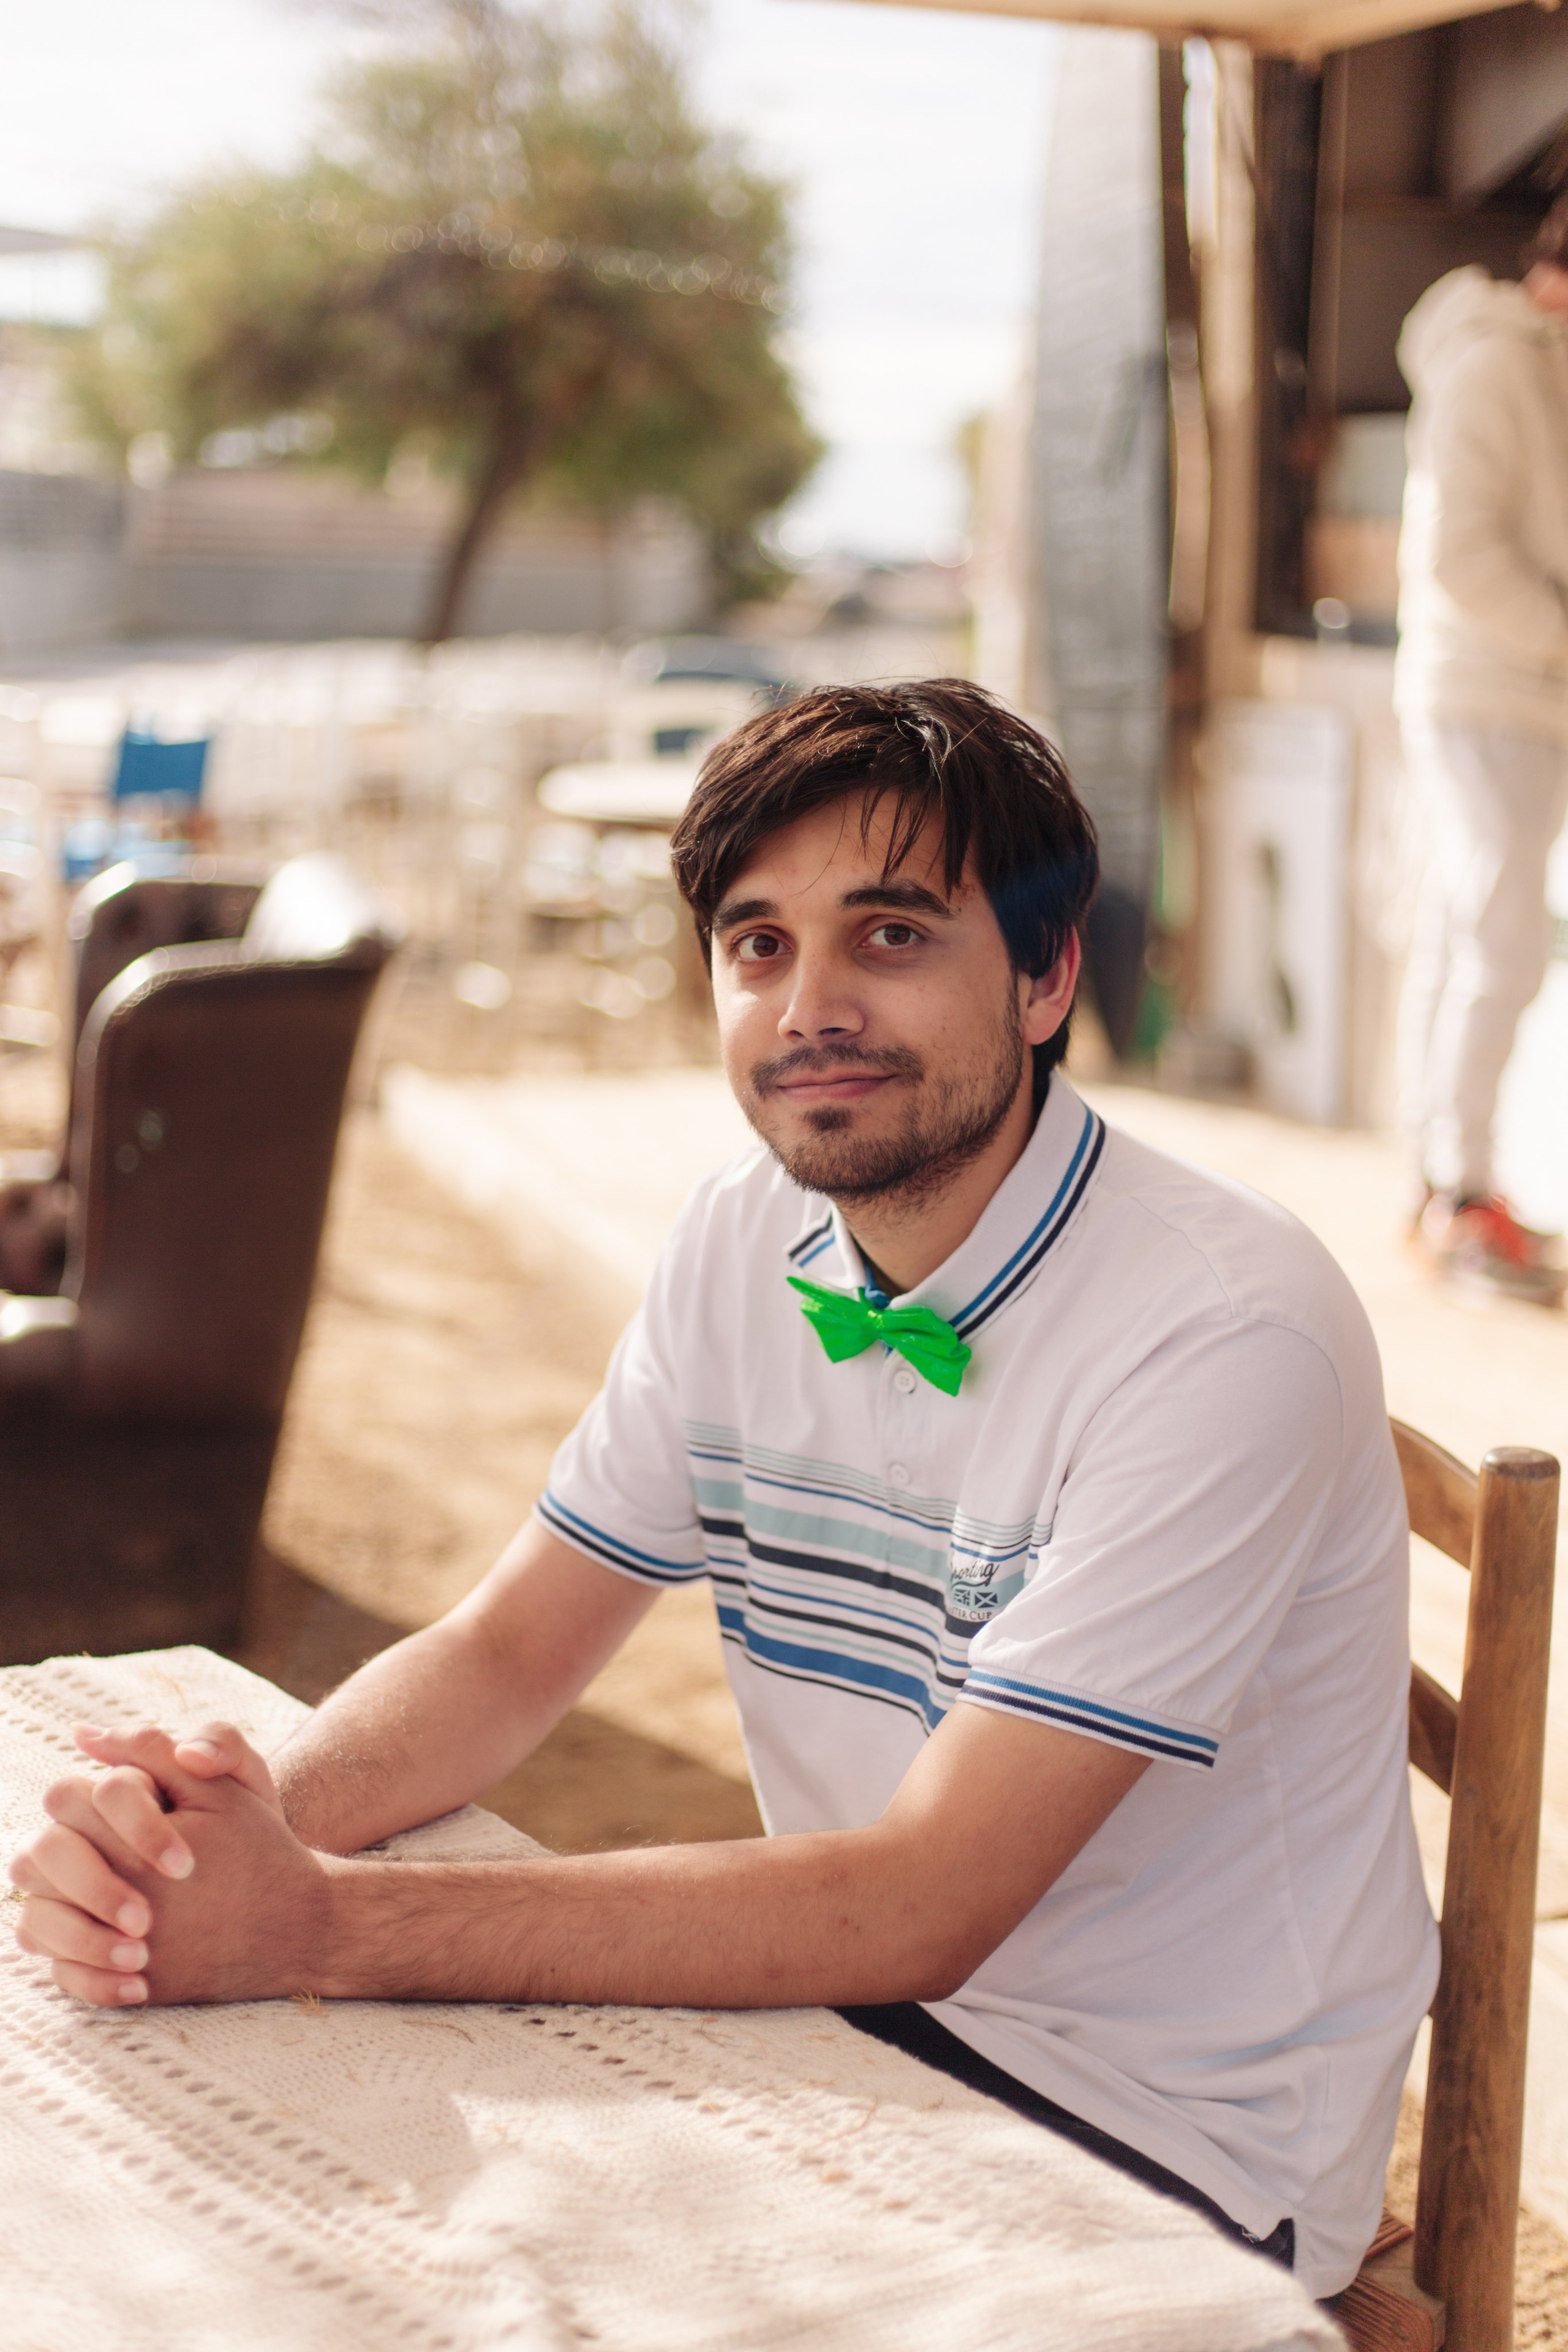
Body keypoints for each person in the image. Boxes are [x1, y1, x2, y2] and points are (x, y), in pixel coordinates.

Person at [9, 680, 1435, 2301]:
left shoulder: (1221, 1330)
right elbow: (508, 1652)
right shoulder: (743, 1235)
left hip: (1164, 2134)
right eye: (758, 946)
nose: (811, 1005)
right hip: (852, 2024)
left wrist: (312, 1924)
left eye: (890, 936)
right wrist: (220, 1842)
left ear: (1045, 976)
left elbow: (926, 1900)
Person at [1395, 195, 1568, 1304]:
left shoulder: (1532, 358)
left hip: (1517, 695)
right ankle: (1457, 1198)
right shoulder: (1497, 361)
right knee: (1496, 944)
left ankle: (1444, 1188)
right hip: (1490, 695)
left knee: (1468, 936)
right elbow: (1459, 551)